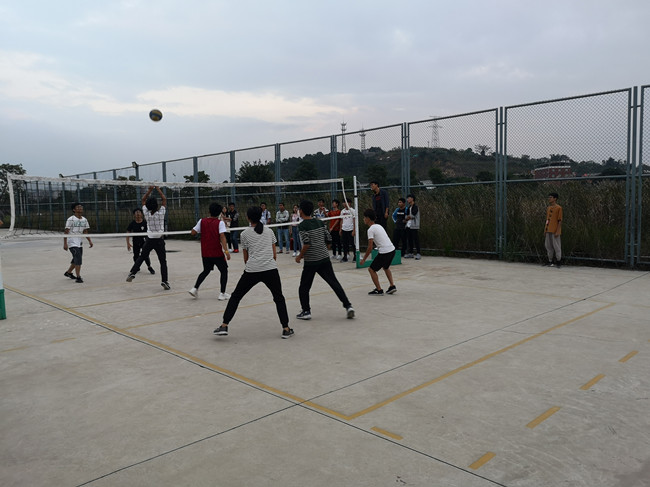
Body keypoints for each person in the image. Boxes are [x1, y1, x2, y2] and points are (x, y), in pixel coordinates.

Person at [213, 206, 293, 339]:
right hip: (270, 269)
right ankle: (286, 328)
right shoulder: (269, 231)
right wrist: (267, 264)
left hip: (252, 270)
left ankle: (224, 325)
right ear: (260, 216)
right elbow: (274, 255)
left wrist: (252, 267)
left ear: (248, 218)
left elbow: (246, 258)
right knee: (279, 298)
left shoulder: (244, 234)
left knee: (236, 296)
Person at [295, 199, 354, 320]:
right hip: (324, 258)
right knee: (334, 283)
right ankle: (348, 306)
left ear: (301, 211)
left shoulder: (302, 226)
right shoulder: (319, 222)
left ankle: (306, 311)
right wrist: (324, 248)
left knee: (304, 287)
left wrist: (299, 256)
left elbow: (306, 244)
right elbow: (329, 238)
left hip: (311, 261)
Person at [126, 186, 170, 290]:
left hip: (149, 240)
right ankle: (164, 281)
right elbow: (164, 199)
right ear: (156, 205)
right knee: (162, 261)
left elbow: (143, 200)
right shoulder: (161, 213)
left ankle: (133, 273)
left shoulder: (146, 213)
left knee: (142, 256)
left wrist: (150, 190)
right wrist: (158, 189)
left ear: (148, 206)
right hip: (159, 240)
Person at [189, 202, 231, 300]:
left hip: (205, 253)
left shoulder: (202, 221)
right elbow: (222, 237)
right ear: (219, 213)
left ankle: (195, 288)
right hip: (216, 253)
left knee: (206, 270)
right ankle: (222, 293)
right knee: (224, 271)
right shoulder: (220, 223)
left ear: (209, 211)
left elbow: (193, 232)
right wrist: (226, 252)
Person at [360, 209, 396, 296]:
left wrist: (364, 259)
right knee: (386, 267)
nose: (363, 219)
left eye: (364, 217)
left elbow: (370, 247)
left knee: (371, 270)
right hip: (392, 250)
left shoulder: (370, 230)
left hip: (385, 252)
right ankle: (392, 286)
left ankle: (379, 290)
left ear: (368, 218)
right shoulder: (379, 226)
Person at [63, 202, 93, 283]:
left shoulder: (84, 219)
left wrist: (90, 241)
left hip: (79, 242)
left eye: (81, 207)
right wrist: (65, 244)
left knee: (76, 259)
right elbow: (66, 232)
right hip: (71, 242)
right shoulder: (71, 219)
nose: (80, 208)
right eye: (78, 207)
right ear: (74, 210)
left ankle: (68, 272)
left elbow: (85, 231)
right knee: (78, 258)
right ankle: (78, 277)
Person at [126, 208, 155, 275]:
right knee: (136, 256)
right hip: (136, 242)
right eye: (136, 213)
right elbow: (128, 233)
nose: (138, 214)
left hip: (144, 241)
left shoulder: (145, 223)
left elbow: (150, 232)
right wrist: (128, 243)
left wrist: (152, 241)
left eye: (139, 212)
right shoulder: (132, 223)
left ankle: (149, 267)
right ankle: (136, 267)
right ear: (134, 215)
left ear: (142, 214)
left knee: (145, 255)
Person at [543, 192, 563, 268]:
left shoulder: (559, 208)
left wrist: (558, 230)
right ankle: (550, 260)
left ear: (555, 199)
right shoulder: (548, 208)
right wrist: (545, 230)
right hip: (548, 229)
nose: (549, 199)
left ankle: (558, 261)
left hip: (555, 230)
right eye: (549, 197)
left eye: (551, 197)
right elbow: (547, 219)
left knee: (557, 246)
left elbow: (560, 220)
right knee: (548, 246)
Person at [404, 193, 421, 260]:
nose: (407, 199)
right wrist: (407, 218)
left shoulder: (415, 207)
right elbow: (406, 216)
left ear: (412, 199)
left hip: (414, 225)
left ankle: (418, 253)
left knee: (416, 239)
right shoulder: (408, 208)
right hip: (408, 225)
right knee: (409, 239)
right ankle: (411, 253)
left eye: (409, 198)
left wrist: (408, 217)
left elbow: (413, 215)